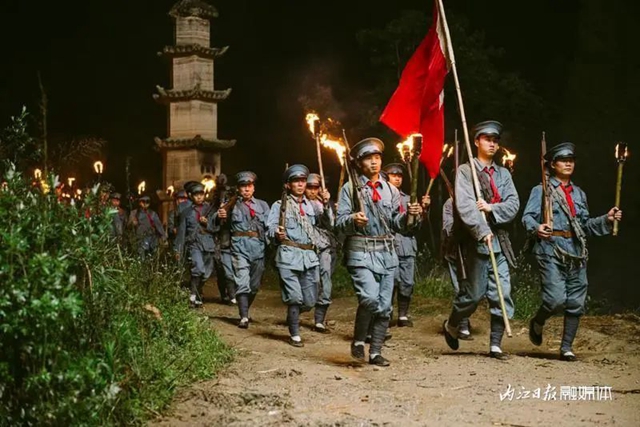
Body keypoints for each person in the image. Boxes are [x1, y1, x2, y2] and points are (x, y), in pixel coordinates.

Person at [522, 142, 622, 361]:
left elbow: (585, 226)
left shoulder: (579, 194)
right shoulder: (542, 190)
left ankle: (566, 347)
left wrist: (607, 219)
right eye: (563, 160)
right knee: (556, 299)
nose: (568, 163)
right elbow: (527, 217)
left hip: (576, 251)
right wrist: (537, 227)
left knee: (576, 300)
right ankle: (538, 321)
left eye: (571, 160)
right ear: (552, 164)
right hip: (550, 249)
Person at [336, 138, 422, 366]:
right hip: (360, 251)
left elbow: (397, 223)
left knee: (385, 306)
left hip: (387, 252)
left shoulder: (390, 191)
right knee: (369, 298)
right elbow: (339, 222)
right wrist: (353, 219)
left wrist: (411, 215)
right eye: (368, 158)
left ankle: (375, 352)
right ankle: (358, 339)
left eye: (377, 158)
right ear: (359, 163)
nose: (373, 162)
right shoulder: (350, 189)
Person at [442, 121, 519, 360]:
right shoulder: (466, 171)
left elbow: (513, 204)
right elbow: (464, 205)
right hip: (476, 241)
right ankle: (453, 323)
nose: (492, 144)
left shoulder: (504, 174)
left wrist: (492, 208)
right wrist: (481, 227)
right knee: (473, 296)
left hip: (500, 241)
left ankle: (495, 345)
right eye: (487, 139)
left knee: (502, 293)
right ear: (476, 142)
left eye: (495, 140)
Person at [266, 165, 332, 347]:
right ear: (288, 185)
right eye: (296, 181)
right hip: (288, 255)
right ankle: (295, 333)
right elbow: (269, 227)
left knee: (310, 300)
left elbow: (328, 224)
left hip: (309, 257)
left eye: (303, 181)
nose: (301, 184)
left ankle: (292, 314)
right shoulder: (280, 206)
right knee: (295, 297)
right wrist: (276, 234)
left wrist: (327, 205)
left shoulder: (312, 205)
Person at [217, 171, 270, 328]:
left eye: (249, 186)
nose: (246, 189)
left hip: (258, 248)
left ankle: (245, 306)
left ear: (253, 188)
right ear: (238, 189)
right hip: (239, 248)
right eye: (243, 186)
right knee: (243, 283)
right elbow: (217, 220)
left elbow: (270, 226)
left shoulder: (262, 205)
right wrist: (221, 214)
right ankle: (244, 316)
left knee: (254, 286)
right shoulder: (231, 204)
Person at [382, 163, 421, 327]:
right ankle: (387, 311)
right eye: (393, 175)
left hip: (406, 244)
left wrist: (419, 213)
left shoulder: (409, 199)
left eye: (399, 176)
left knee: (407, 282)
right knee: (391, 280)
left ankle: (403, 315)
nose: (397, 178)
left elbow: (417, 226)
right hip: (389, 244)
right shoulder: (382, 197)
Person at [174, 182, 218, 307]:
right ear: (191, 196)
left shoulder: (209, 209)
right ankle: (192, 296)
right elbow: (182, 231)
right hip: (194, 243)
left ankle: (197, 293)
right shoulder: (186, 211)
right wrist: (178, 249)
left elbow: (216, 229)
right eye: (196, 195)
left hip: (208, 244)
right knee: (198, 268)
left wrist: (207, 223)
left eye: (201, 194)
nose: (199, 197)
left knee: (206, 273)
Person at [305, 173, 337, 333]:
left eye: (315, 187)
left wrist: (326, 205)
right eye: (309, 187)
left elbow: (331, 224)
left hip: (324, 247)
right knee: (312, 280)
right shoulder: (299, 204)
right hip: (306, 248)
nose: (312, 191)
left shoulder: (326, 204)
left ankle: (319, 320)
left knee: (325, 280)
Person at [128, 194, 166, 259]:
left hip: (151, 239)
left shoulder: (152, 213)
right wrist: (132, 223)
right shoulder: (134, 213)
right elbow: (128, 226)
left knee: (152, 258)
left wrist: (164, 237)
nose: (145, 203)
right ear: (140, 202)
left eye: (147, 201)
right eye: (143, 201)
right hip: (139, 239)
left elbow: (159, 226)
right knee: (141, 258)